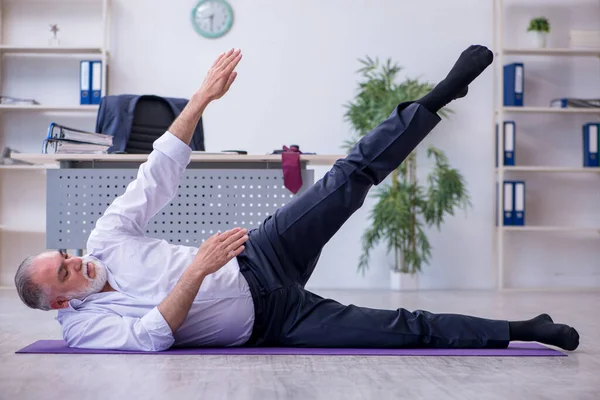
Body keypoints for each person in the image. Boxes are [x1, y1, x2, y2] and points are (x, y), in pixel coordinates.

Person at [14, 46, 579, 352]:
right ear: (61, 303)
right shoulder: (85, 331)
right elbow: (152, 337)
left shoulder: (105, 239)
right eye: (64, 274)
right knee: (405, 328)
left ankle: (437, 97)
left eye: (63, 256)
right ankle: (524, 329)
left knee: (347, 177)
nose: (75, 262)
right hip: (272, 321)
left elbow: (156, 174)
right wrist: (197, 271)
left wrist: (202, 98)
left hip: (260, 256)